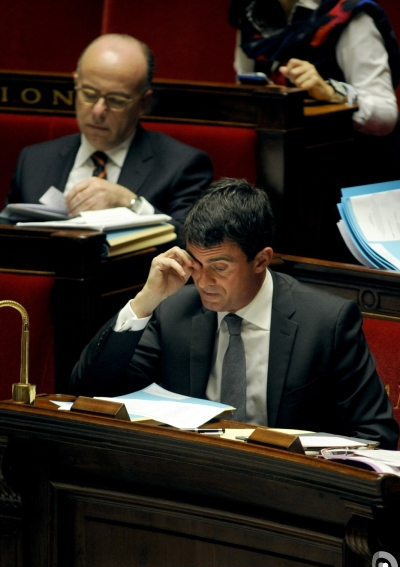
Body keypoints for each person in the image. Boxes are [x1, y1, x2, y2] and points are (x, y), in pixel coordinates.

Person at [70, 178, 398, 449]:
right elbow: (89, 387)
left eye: (220, 267)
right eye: (195, 264)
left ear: (261, 260)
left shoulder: (326, 323)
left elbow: (376, 435)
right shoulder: (173, 312)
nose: (203, 281)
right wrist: (145, 300)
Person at [5, 34, 213, 235]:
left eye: (116, 100)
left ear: (144, 102)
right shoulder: (34, 161)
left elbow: (191, 246)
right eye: (88, 94)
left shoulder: (182, 166)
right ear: (76, 83)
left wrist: (131, 204)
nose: (98, 111)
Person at [229, 0, 400, 139]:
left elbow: (386, 115)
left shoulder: (349, 12)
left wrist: (333, 93)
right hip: (272, 153)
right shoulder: (250, 15)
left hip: (348, 161)